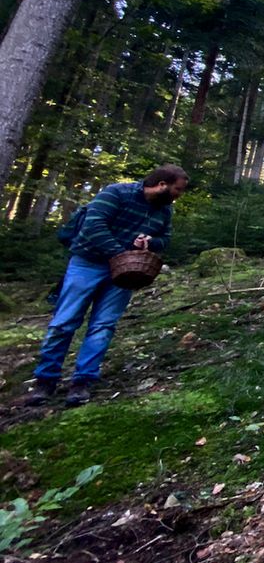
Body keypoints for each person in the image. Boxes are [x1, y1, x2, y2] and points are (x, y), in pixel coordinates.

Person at [28, 165, 189, 407]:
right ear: (162, 184)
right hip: (87, 264)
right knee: (64, 322)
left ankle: (82, 381)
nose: (179, 195)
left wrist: (150, 242)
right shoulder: (116, 193)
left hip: (124, 273)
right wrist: (118, 254)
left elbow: (165, 238)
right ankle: (45, 380)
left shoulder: (164, 211)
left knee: (104, 325)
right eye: (178, 189)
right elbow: (93, 225)